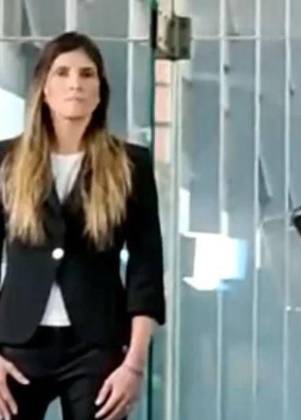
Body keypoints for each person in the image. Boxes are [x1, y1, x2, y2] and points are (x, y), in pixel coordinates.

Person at [0, 32, 165, 420]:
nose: (75, 83)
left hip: (97, 345)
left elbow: (146, 270)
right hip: (16, 345)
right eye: (62, 73)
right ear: (43, 88)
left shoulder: (130, 164)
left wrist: (134, 365)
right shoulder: (6, 161)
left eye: (87, 74)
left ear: (100, 91)